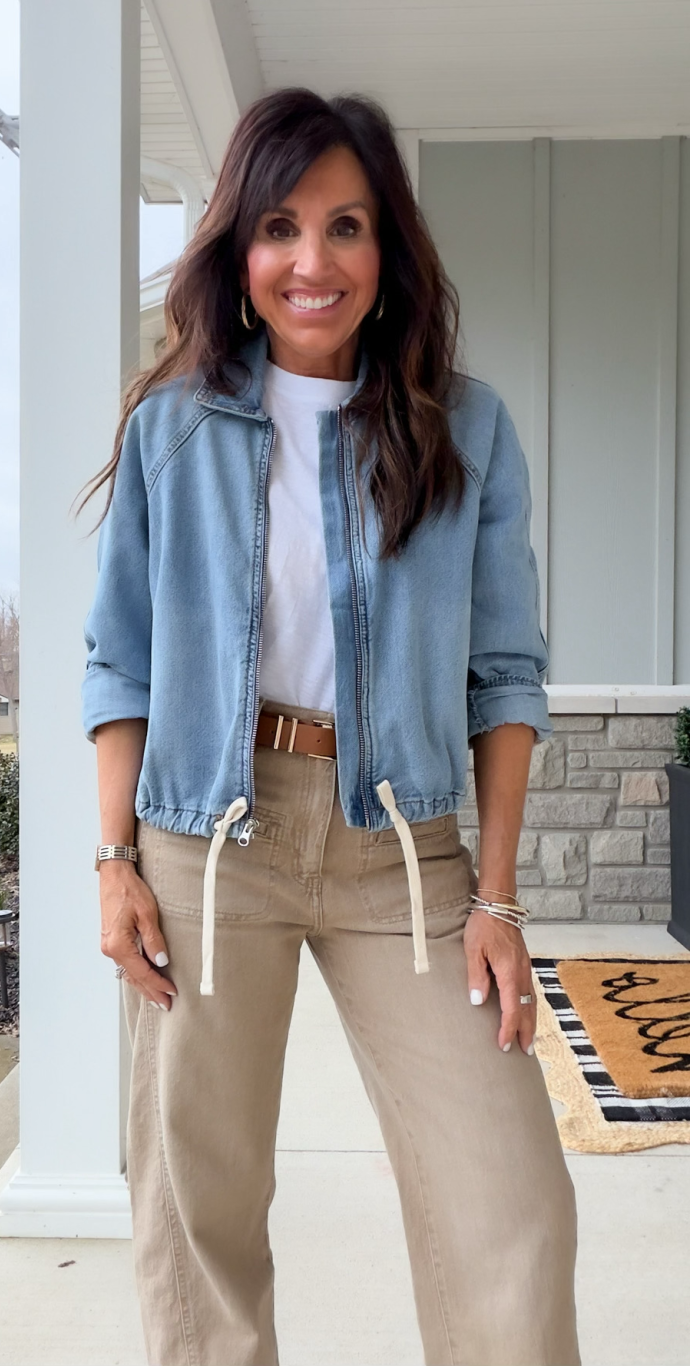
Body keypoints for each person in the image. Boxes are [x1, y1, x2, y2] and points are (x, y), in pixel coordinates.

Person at [76, 87, 580, 1366]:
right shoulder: (175, 427)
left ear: (386, 249)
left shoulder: (463, 427)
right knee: (200, 1215)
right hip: (203, 839)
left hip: (399, 852)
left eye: (346, 226)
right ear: (240, 252)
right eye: (282, 226)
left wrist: (503, 897)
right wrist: (114, 861)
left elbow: (506, 673)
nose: (314, 261)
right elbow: (116, 657)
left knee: (510, 1203)